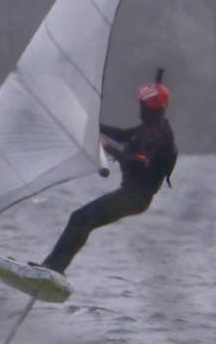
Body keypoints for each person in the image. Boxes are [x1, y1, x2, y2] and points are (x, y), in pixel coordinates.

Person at [38, 79, 176, 274]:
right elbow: (122, 135)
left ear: (148, 107)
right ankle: (52, 267)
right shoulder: (150, 128)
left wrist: (107, 147)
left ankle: (53, 268)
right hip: (131, 196)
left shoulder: (157, 135)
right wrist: (91, 124)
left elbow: (137, 162)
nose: (140, 109)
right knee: (81, 219)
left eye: (142, 105)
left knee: (81, 218)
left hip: (134, 198)